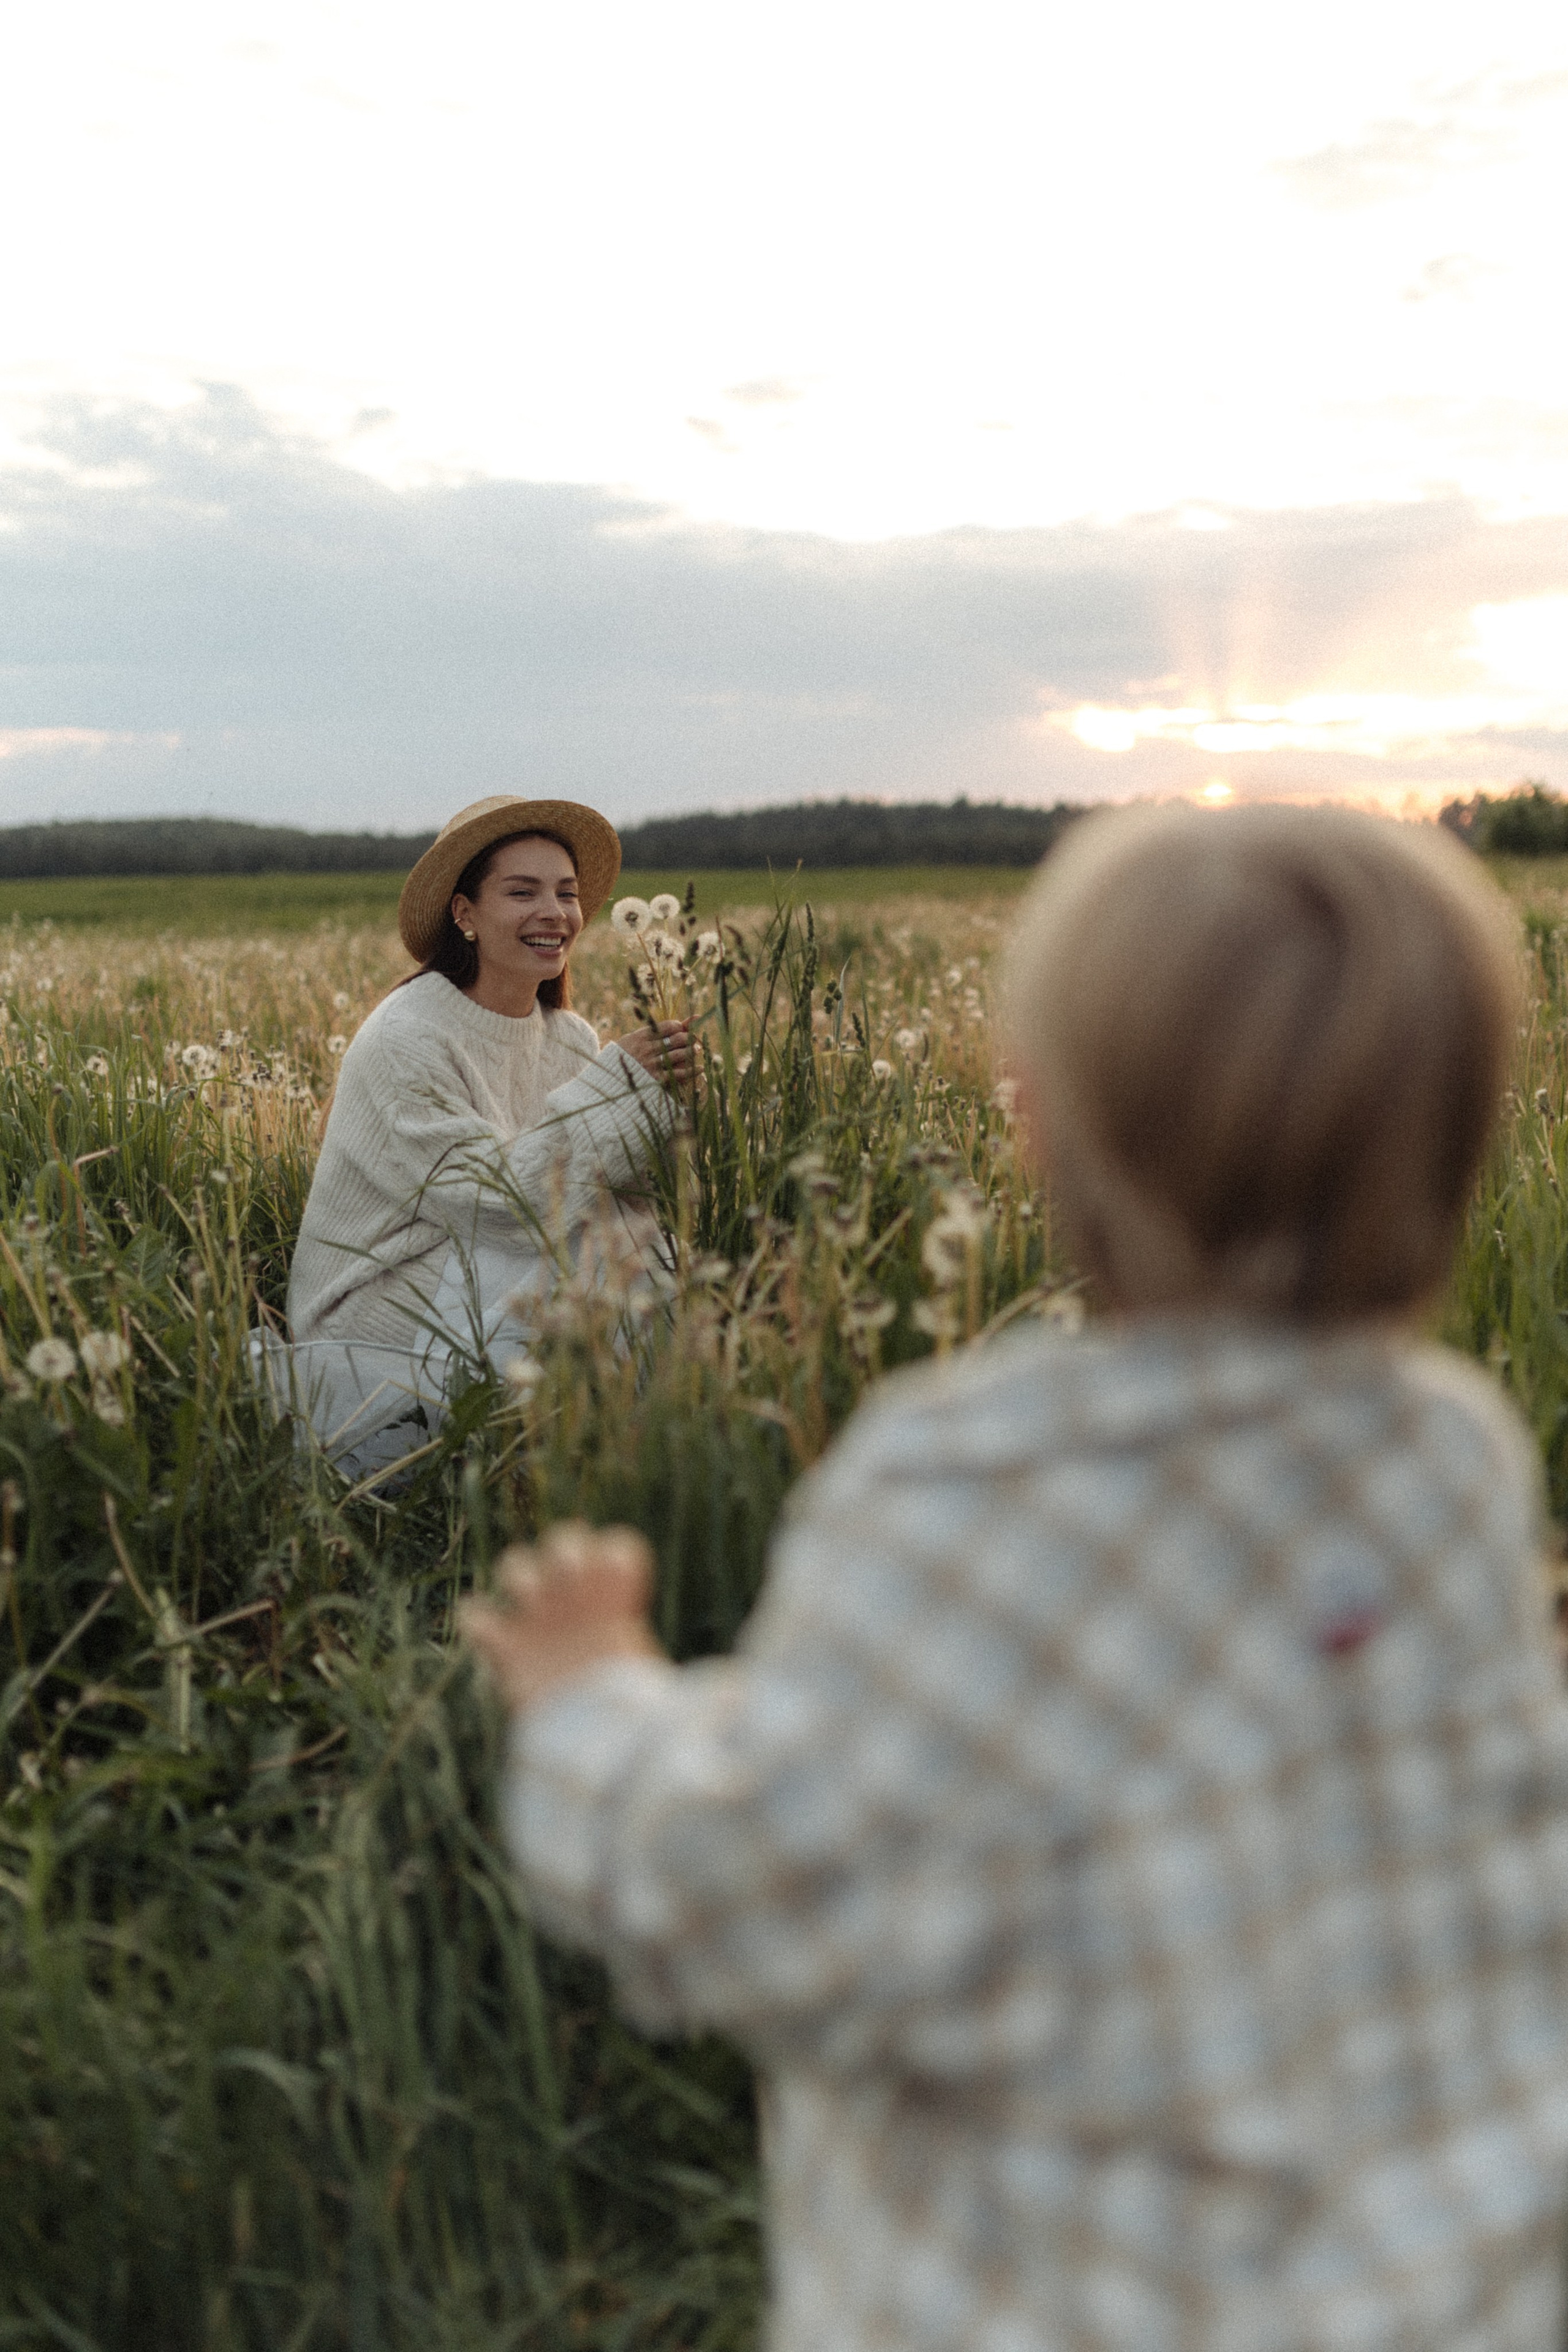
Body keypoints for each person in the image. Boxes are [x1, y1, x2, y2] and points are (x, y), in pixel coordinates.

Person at [464, 802, 1568, 2352]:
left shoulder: (965, 1483)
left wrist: (593, 1704)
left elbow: (754, 1888)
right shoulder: (1445, 1456)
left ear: (1036, 1122)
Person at [270, 794, 694, 1474]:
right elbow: (499, 1206)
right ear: (463, 914)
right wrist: (615, 1089)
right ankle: (584, 1461)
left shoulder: (570, 1038)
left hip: (490, 1264)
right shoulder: (407, 1035)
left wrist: (665, 1105)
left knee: (636, 1244)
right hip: (381, 1302)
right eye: (522, 892)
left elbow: (612, 1194)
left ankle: (644, 1451)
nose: (554, 912)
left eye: (566, 893)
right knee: (597, 1261)